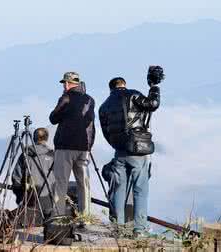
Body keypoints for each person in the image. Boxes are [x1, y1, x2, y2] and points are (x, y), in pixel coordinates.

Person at [99, 76, 160, 236]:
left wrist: (117, 144)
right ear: (124, 85)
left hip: (119, 151)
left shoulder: (104, 106)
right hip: (137, 149)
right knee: (140, 189)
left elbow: (106, 132)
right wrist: (154, 87)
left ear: (111, 88)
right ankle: (139, 229)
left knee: (119, 189)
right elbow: (153, 104)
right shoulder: (133, 95)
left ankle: (117, 229)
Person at [49, 72, 95, 217]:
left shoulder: (66, 98)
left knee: (61, 183)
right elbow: (90, 124)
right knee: (83, 184)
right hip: (84, 148)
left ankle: (58, 217)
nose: (64, 86)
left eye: (64, 83)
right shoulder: (90, 100)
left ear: (67, 84)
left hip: (65, 146)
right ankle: (85, 216)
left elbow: (53, 118)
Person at [11, 127, 56, 218]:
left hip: (30, 200)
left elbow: (16, 178)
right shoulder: (53, 155)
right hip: (49, 201)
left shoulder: (25, 154)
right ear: (46, 138)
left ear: (34, 138)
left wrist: (20, 197)